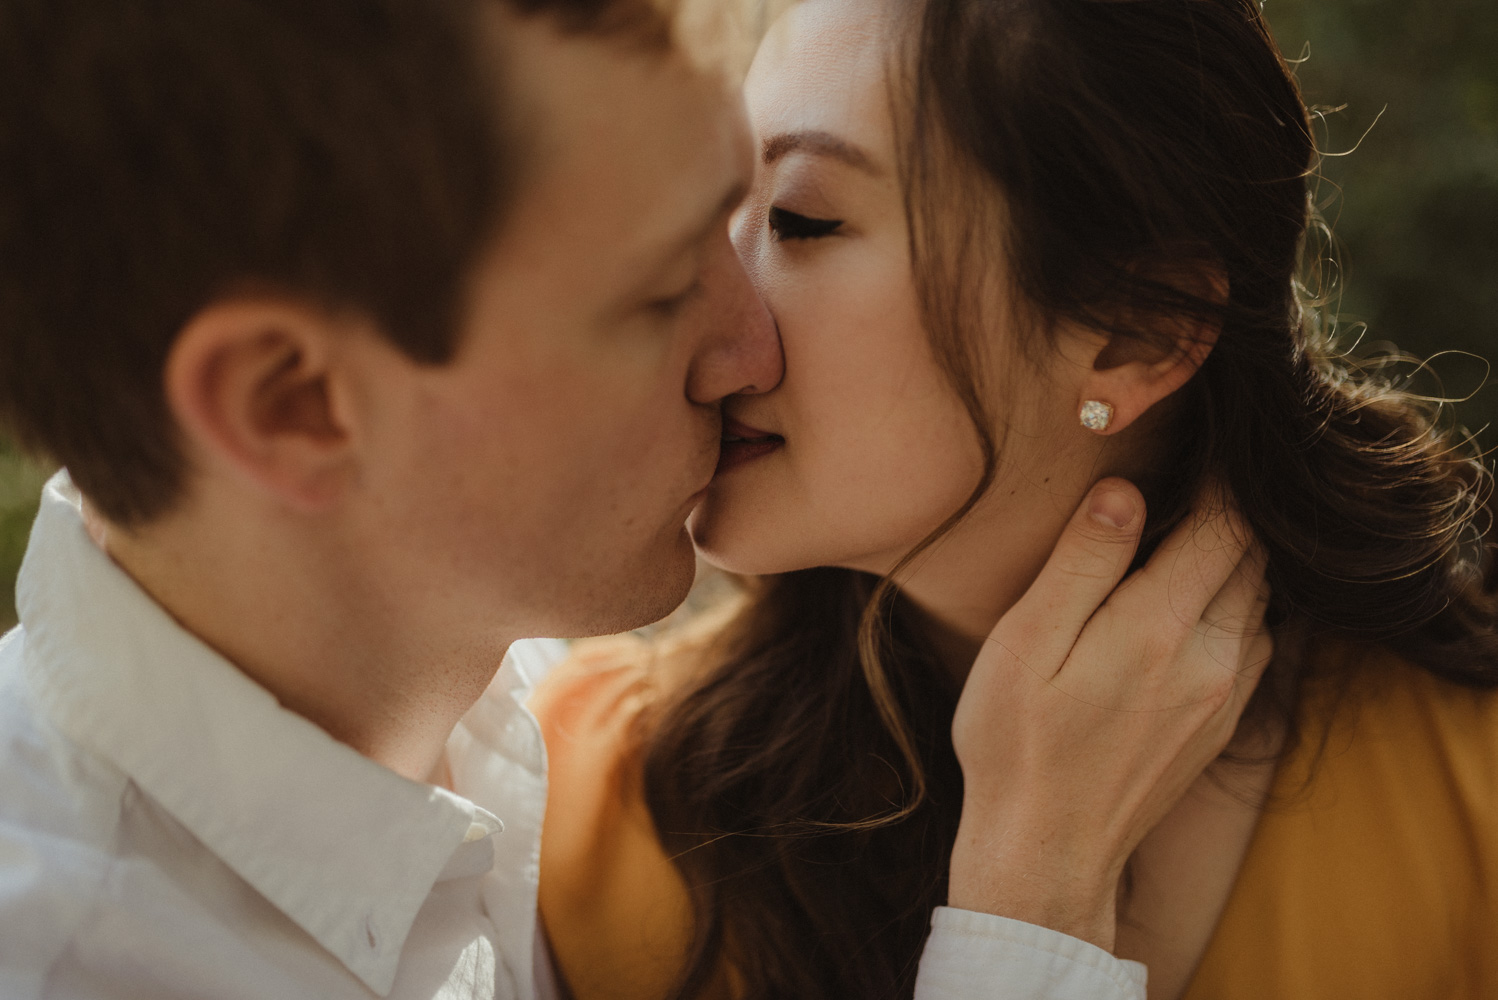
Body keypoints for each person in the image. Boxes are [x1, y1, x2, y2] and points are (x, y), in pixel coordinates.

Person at [0, 1, 1266, 998]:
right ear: (292, 403)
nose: (750, 349)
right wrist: (1027, 920)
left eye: (776, 220)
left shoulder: (573, 757)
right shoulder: (72, 959)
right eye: (663, 290)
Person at [528, 0, 1498, 997]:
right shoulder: (590, 810)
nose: (706, 303)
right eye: (715, 206)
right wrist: (1034, 888)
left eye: (800, 219)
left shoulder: (1469, 793)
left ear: (1137, 335)